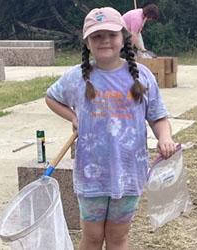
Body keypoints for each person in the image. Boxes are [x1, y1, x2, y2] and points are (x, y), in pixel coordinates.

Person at [46, 7, 176, 250]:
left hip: (129, 174)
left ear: (124, 38)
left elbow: (158, 117)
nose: (105, 40)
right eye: (97, 36)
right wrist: (73, 117)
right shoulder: (77, 77)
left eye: (112, 35)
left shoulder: (143, 76)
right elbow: (52, 97)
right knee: (92, 238)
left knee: (118, 238)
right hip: (91, 176)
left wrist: (165, 137)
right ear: (87, 42)